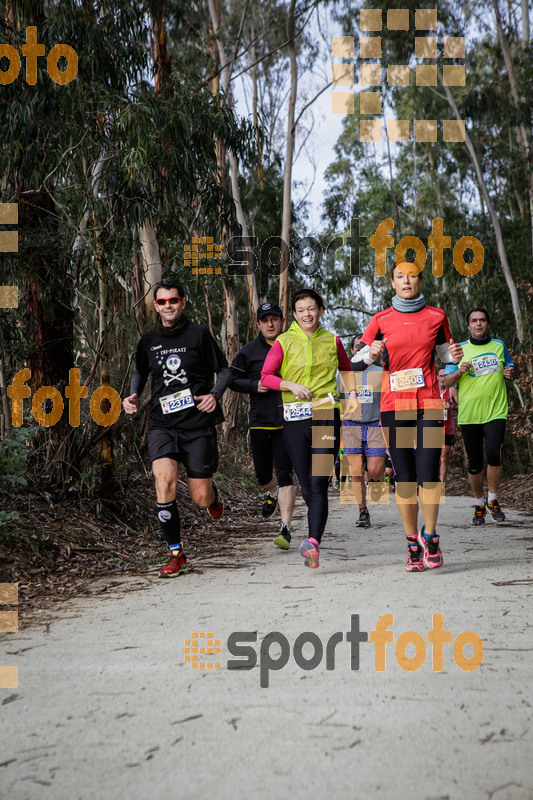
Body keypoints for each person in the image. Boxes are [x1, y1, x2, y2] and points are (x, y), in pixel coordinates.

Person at [351, 261, 463, 572]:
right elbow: (356, 362)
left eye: (412, 276)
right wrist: (371, 354)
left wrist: (453, 360)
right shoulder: (381, 319)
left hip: (428, 404)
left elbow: (443, 355)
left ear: (421, 280)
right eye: (400, 276)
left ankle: (431, 536)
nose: (407, 281)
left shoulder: (436, 316)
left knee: (428, 474)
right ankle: (412, 543)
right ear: (392, 282)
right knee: (405, 478)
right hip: (394, 407)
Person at [123, 279, 230, 578]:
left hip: (197, 426)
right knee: (164, 483)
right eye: (162, 302)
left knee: (199, 498)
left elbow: (224, 370)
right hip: (162, 424)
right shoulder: (148, 341)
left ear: (182, 302)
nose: (168, 306)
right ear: (155, 306)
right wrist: (133, 394)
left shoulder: (199, 334)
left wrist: (215, 395)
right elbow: (140, 371)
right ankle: (176, 554)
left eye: (173, 300)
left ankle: (212, 495)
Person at [261, 288, 358, 568]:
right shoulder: (283, 341)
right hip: (294, 418)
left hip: (326, 414)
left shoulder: (332, 340)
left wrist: (351, 394)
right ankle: (315, 535)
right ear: (294, 314)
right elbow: (266, 376)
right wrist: (289, 385)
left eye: (312, 309)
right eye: (301, 309)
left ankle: (313, 541)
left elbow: (347, 369)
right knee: (306, 485)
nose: (307, 314)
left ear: (321, 310)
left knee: (317, 482)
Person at [229, 302, 296, 550]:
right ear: (257, 324)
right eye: (265, 320)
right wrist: (252, 385)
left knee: (285, 474)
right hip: (260, 422)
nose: (270, 324)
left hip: (288, 420)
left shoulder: (293, 344)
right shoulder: (248, 351)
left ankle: (285, 528)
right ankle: (271, 491)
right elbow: (232, 378)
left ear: (282, 321)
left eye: (274, 319)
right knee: (263, 476)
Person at [443, 307, 514, 524]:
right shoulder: (458, 350)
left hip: (496, 412)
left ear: (488, 323)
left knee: (494, 454)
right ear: (468, 326)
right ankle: (479, 503)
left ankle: (493, 499)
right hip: (469, 415)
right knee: (474, 463)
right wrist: (459, 371)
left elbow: (509, 367)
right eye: (474, 320)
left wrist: (509, 372)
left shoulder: (499, 346)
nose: (478, 324)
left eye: (482, 320)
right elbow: (445, 382)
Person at [340, 334, 387, 528]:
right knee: (356, 472)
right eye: (357, 347)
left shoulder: (381, 371)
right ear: (352, 351)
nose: (360, 350)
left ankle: (375, 480)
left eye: (364, 347)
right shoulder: (342, 373)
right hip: (351, 425)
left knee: (375, 470)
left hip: (375, 424)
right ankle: (362, 511)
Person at [437, 368, 458, 482]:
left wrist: (452, 406)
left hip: (447, 428)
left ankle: (441, 482)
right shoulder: (432, 390)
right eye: (441, 376)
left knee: (444, 457)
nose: (443, 378)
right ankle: (431, 480)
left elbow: (461, 406)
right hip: (431, 428)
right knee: (432, 457)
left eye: (445, 376)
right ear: (437, 377)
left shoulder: (452, 390)